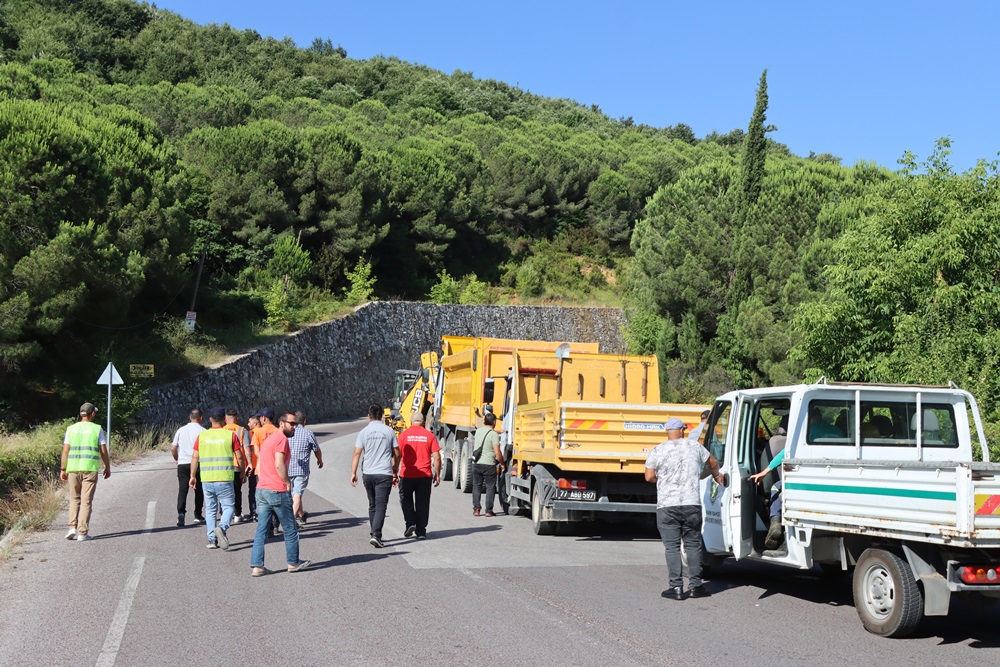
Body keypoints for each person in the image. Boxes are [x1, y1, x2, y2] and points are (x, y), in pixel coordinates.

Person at [644, 417, 723, 601]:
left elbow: (648, 476)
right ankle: (696, 587)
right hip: (691, 503)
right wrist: (716, 476)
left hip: (667, 505)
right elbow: (713, 462)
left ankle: (676, 587)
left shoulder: (658, 450)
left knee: (672, 547)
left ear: (667, 431)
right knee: (693, 545)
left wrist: (663, 481)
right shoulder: (695, 447)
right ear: (682, 430)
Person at [250, 412, 310, 576]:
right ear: (282, 423)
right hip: (277, 489)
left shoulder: (268, 440)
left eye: (296, 424)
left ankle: (257, 566)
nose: (295, 427)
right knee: (290, 528)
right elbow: (279, 464)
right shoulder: (281, 440)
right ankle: (293, 563)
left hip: (262, 489)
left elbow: (261, 463)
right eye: (292, 424)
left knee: (261, 530)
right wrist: (287, 482)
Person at [190, 408, 247, 550]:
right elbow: (240, 457)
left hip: (207, 479)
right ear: (224, 420)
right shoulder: (230, 435)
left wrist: (192, 476)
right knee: (228, 507)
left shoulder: (202, 436)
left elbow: (195, 457)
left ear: (210, 420)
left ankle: (211, 540)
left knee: (210, 510)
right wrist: (242, 472)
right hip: (224, 478)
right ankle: (222, 528)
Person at [351, 404, 400, 548]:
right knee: (381, 505)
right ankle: (376, 535)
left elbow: (357, 453)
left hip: (368, 473)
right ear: (382, 416)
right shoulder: (389, 431)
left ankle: (374, 534)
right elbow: (397, 453)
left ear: (369, 416)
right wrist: (395, 468)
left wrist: (353, 472)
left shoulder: (364, 432)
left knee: (372, 505)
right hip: (384, 473)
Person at [60, 403, 111, 541]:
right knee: (86, 501)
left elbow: (65, 451)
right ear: (92, 413)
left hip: (73, 469)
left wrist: (63, 469)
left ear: (81, 414)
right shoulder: (97, 429)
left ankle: (71, 528)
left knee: (74, 499)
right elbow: (103, 451)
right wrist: (107, 467)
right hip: (89, 468)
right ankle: (82, 532)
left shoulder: (71, 429)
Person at [397, 411, 441, 539]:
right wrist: (437, 474)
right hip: (424, 476)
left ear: (411, 422)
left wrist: (394, 470)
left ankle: (410, 523)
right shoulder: (429, 436)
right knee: (423, 502)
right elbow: (437, 457)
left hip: (407, 474)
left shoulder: (403, 435)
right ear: (423, 422)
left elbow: (398, 455)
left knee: (406, 499)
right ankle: (421, 531)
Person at [288, 410, 323, 528]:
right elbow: (316, 449)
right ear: (305, 421)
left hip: (287, 468)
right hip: (301, 470)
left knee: (295, 493)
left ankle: (302, 515)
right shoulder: (307, 433)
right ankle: (291, 522)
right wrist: (320, 460)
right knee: (297, 494)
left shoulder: (288, 432)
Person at [171, 408, 205, 527]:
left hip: (183, 463)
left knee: (182, 490)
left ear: (190, 417)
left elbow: (173, 448)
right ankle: (197, 515)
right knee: (199, 490)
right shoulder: (203, 431)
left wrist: (177, 458)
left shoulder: (181, 430)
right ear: (201, 418)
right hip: (199, 462)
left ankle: (181, 513)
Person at [251, 408, 280, 535]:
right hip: (276, 469)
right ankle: (275, 524)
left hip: (262, 470)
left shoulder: (258, 432)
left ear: (263, 418)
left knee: (263, 500)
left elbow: (256, 452)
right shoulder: (278, 431)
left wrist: (264, 459)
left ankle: (267, 526)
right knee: (276, 497)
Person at [223, 408, 252, 523]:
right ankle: (237, 514)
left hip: (224, 466)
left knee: (224, 491)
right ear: (237, 419)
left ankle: (224, 512)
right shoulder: (242, 430)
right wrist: (249, 463)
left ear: (225, 419)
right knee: (237, 491)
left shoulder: (222, 430)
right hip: (236, 465)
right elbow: (246, 448)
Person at [472, 412, 504, 517]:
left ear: (484, 421)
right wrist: (502, 463)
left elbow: (485, 433)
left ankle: (476, 509)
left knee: (477, 486)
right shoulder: (494, 435)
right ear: (494, 422)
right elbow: (497, 453)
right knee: (490, 487)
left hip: (477, 463)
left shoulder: (478, 431)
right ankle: (488, 511)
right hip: (489, 465)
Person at [245, 413, 262, 521]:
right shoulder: (264, 432)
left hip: (253, 466)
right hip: (263, 466)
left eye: (249, 422)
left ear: (255, 423)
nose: (248, 424)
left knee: (252, 490)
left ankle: (253, 513)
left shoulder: (250, 434)